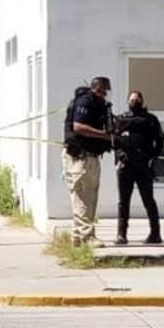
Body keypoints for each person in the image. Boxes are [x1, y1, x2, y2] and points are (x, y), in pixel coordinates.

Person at [62, 77, 114, 248]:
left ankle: (78, 236)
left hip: (92, 156)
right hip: (79, 157)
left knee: (90, 198)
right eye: (103, 90)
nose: (105, 94)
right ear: (96, 88)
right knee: (82, 198)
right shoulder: (84, 102)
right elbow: (78, 127)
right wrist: (104, 135)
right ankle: (87, 236)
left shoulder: (101, 106)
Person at [113, 91, 164, 246]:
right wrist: (119, 156)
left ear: (142, 101)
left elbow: (160, 141)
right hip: (125, 166)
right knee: (123, 202)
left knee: (148, 200)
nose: (134, 102)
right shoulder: (121, 119)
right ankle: (121, 234)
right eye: (131, 100)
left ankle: (155, 233)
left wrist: (151, 157)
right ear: (127, 101)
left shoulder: (150, 120)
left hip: (143, 166)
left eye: (136, 100)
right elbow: (114, 140)